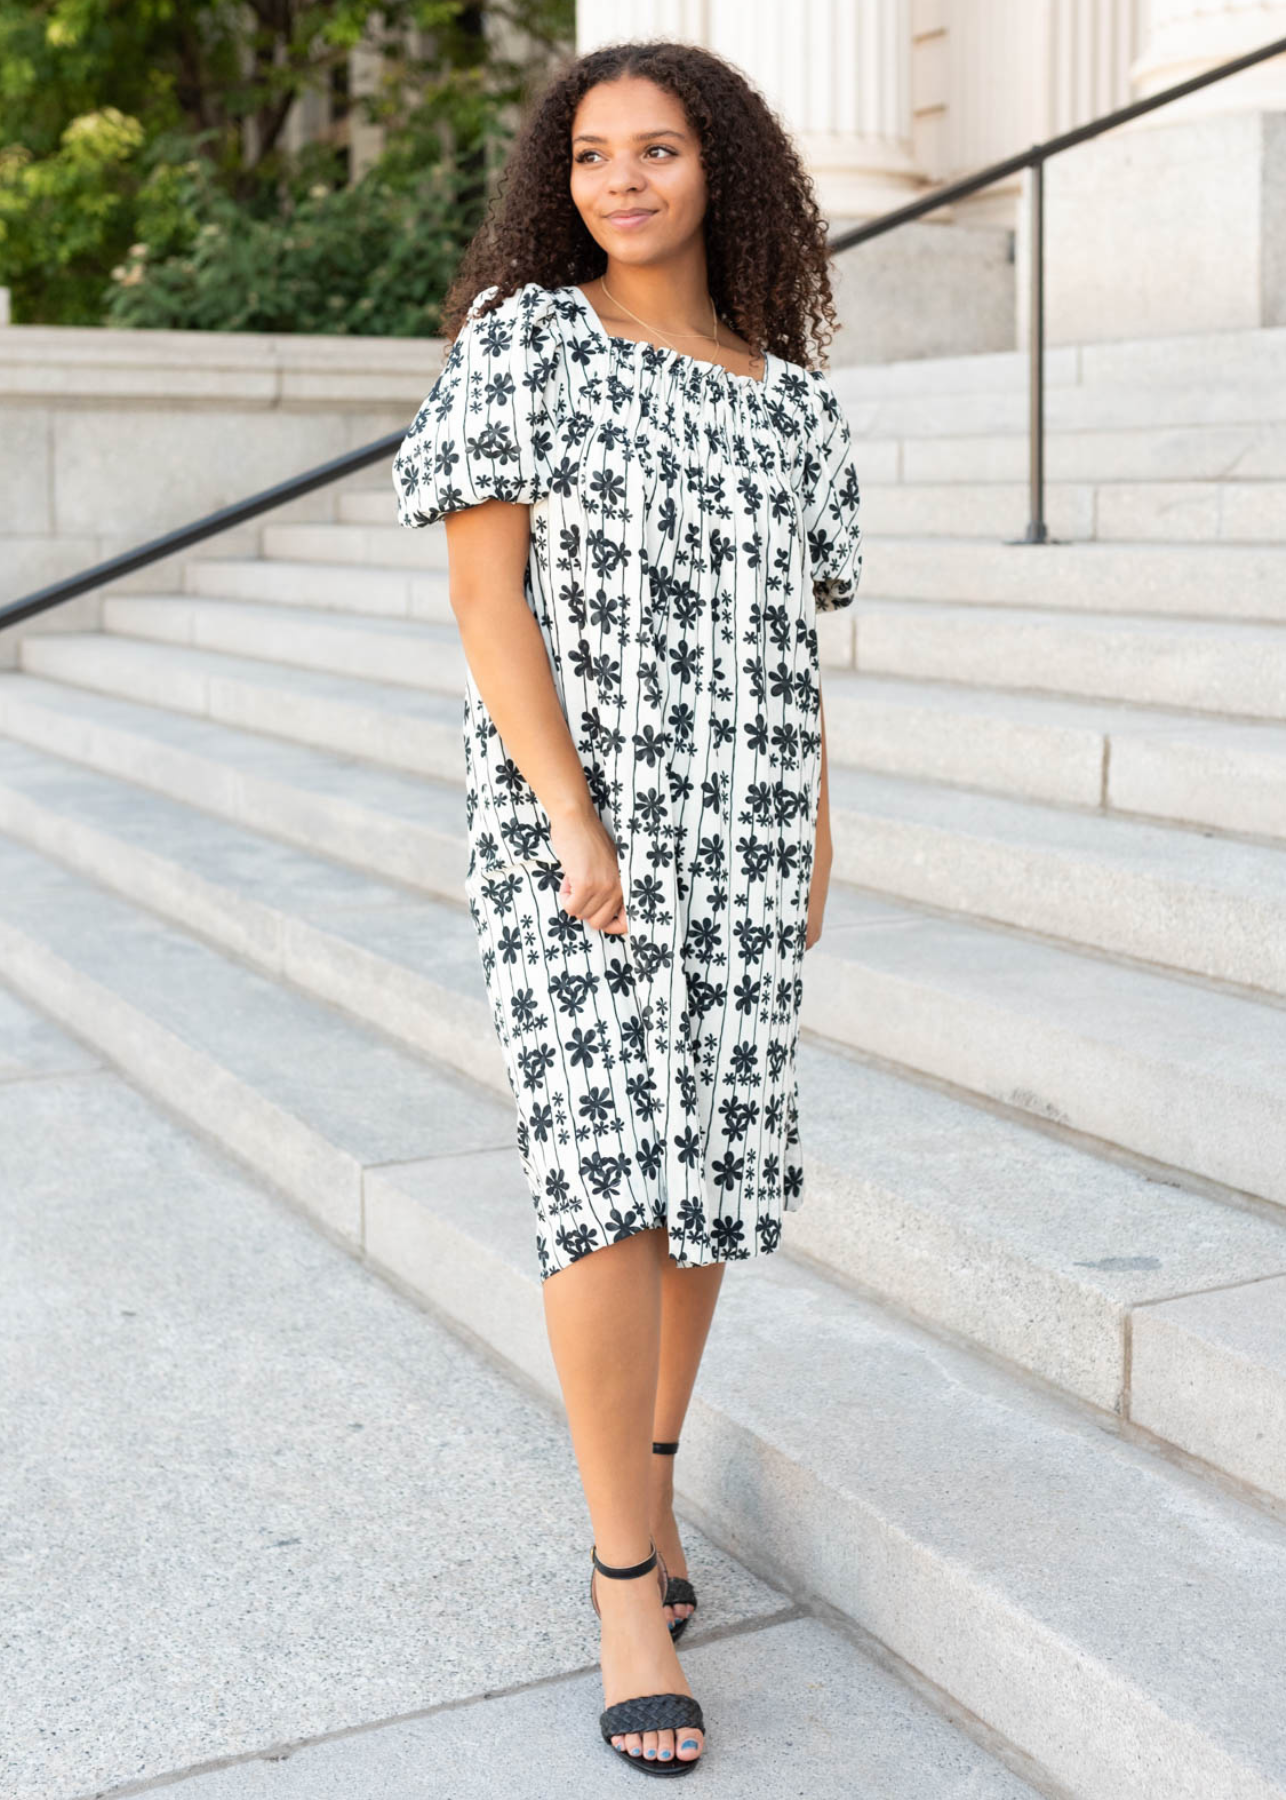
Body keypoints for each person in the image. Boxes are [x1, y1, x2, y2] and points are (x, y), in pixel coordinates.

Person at [391, 37, 862, 1777]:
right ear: (560, 181)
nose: (624, 180)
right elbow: (484, 590)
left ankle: (655, 1502)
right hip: (567, 829)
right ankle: (617, 1589)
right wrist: (569, 816)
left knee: (706, 1178)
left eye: (658, 150)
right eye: (593, 154)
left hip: (740, 828)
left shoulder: (792, 400)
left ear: (717, 170)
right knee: (601, 1176)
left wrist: (815, 821)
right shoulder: (529, 343)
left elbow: (793, 641)